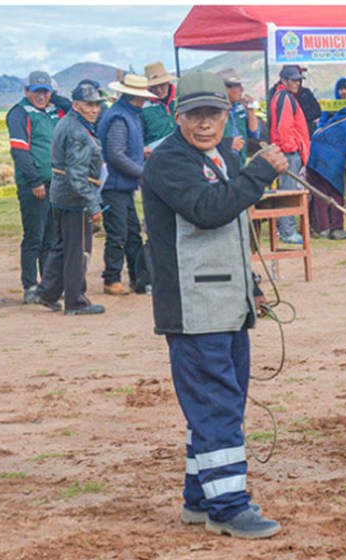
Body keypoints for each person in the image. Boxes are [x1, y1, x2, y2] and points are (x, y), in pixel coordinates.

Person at [142, 70, 290, 540]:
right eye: (195, 115)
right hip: (194, 308)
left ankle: (200, 497)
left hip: (227, 303)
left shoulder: (221, 156)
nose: (206, 124)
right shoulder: (167, 162)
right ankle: (227, 506)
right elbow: (209, 211)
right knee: (217, 405)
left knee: (216, 404)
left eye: (214, 114)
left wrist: (252, 285)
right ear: (177, 116)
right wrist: (259, 172)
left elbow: (231, 228)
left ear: (227, 115)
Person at [32, 82, 106, 315]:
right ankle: (75, 300)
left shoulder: (70, 122)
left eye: (96, 105)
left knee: (62, 246)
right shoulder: (78, 132)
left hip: (61, 193)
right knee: (77, 249)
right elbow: (76, 175)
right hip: (74, 197)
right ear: (76, 104)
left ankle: (47, 292)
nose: (94, 109)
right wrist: (92, 205)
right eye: (89, 105)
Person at [98, 73, 157, 295]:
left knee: (131, 233)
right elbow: (115, 154)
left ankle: (137, 278)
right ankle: (112, 279)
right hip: (115, 185)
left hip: (122, 184)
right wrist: (142, 172)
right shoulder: (121, 118)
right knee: (119, 233)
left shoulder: (126, 114)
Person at [6, 70, 61, 303]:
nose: (41, 96)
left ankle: (46, 285)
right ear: (26, 91)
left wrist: (56, 97)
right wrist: (34, 181)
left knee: (50, 238)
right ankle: (29, 285)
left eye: (46, 92)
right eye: (37, 91)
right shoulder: (19, 113)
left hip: (55, 183)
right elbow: (19, 150)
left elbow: (69, 106)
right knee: (33, 238)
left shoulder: (52, 112)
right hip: (34, 185)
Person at [306, 107, 346, 239]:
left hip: (313, 155)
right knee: (336, 193)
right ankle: (337, 228)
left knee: (320, 194)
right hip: (331, 159)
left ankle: (324, 229)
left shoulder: (336, 119)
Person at [267, 65, 311, 244]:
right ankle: (288, 231)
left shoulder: (280, 96)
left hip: (286, 150)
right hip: (288, 152)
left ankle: (284, 229)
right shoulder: (285, 97)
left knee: (286, 190)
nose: (297, 83)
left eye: (298, 80)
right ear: (284, 80)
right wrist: (292, 149)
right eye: (293, 80)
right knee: (289, 191)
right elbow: (284, 128)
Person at [217, 67, 260, 163]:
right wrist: (228, 144)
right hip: (222, 162)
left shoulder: (240, 107)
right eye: (237, 86)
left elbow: (254, 133)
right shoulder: (214, 110)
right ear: (225, 88)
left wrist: (250, 110)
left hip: (240, 161)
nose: (242, 90)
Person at [143, 61, 178, 147]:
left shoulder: (180, 100)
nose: (159, 90)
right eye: (154, 87)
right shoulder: (142, 108)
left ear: (168, 83)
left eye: (162, 85)